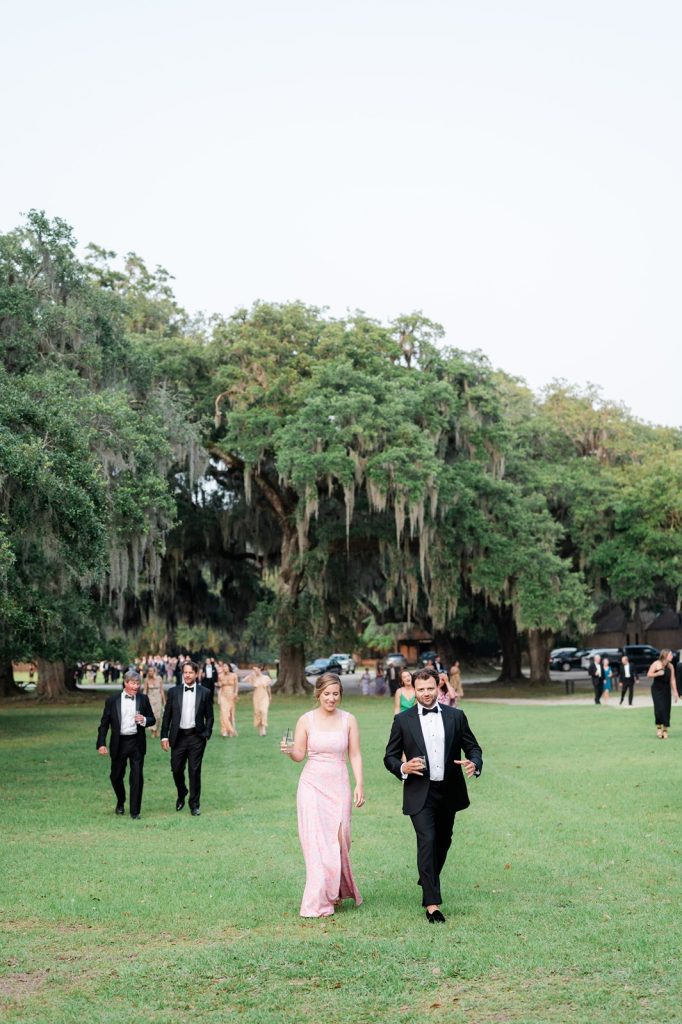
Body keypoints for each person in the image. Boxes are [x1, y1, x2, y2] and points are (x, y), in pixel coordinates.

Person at [384, 669, 482, 923]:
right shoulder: (403, 721)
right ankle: (432, 905)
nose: (426, 694)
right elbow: (390, 757)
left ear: (438, 687)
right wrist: (402, 767)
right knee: (427, 840)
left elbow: (473, 746)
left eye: (430, 688)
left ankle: (426, 876)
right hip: (419, 791)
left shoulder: (456, 717)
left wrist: (474, 762)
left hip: (449, 790)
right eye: (420, 690)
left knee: (443, 840)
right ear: (413, 690)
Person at [280, 672, 364, 918]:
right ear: (318, 694)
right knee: (317, 843)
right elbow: (299, 755)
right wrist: (289, 750)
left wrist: (360, 783)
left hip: (338, 784)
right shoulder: (306, 720)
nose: (331, 698)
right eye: (327, 694)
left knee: (341, 839)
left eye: (335, 694)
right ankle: (317, 901)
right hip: (311, 787)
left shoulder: (349, 720)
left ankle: (336, 890)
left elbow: (355, 754)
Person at [96, 669, 156, 819]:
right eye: (133, 683)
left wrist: (144, 720)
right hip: (119, 743)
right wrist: (101, 743)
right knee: (115, 776)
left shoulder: (143, 699)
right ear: (125, 683)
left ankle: (135, 812)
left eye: (138, 683)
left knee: (137, 777)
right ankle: (121, 800)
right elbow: (104, 724)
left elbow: (152, 719)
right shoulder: (112, 700)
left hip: (136, 742)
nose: (136, 686)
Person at [160, 661, 214, 815]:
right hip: (178, 737)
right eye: (185, 672)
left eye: (190, 672)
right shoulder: (173, 692)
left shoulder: (205, 692)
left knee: (194, 771)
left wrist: (206, 734)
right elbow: (167, 716)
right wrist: (164, 736)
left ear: (196, 674)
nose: (188, 675)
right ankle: (182, 791)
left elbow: (209, 717)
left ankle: (194, 804)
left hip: (196, 738)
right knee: (176, 769)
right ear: (182, 674)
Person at [647, 649, 678, 740]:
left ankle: (665, 730)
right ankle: (659, 728)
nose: (672, 656)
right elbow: (649, 674)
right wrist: (657, 673)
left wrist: (675, 692)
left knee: (666, 709)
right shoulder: (656, 663)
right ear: (665, 656)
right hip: (657, 689)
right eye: (670, 655)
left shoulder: (671, 666)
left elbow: (672, 680)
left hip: (666, 689)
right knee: (659, 709)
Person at [216, 661, 239, 737]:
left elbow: (236, 686)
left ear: (229, 668)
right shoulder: (220, 676)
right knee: (223, 713)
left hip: (231, 695)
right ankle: (225, 730)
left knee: (231, 713)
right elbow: (219, 685)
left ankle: (231, 730)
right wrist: (219, 684)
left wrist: (235, 693)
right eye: (223, 667)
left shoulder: (234, 675)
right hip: (223, 695)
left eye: (226, 666)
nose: (224, 668)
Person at [247, 664, 272, 736]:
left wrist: (270, 696)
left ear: (260, 669)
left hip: (264, 696)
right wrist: (251, 675)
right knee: (257, 712)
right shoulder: (254, 678)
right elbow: (244, 680)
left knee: (263, 711)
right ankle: (260, 729)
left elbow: (268, 688)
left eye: (255, 669)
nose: (254, 671)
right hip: (256, 697)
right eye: (253, 670)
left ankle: (264, 728)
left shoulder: (266, 678)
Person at [143, 666, 166, 739]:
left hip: (158, 698)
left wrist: (164, 700)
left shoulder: (159, 679)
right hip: (150, 699)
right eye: (149, 671)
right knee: (152, 715)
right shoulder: (146, 680)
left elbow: (162, 690)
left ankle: (157, 730)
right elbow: (145, 690)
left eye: (151, 671)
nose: (150, 672)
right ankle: (153, 731)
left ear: (154, 671)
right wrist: (143, 700)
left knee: (158, 716)